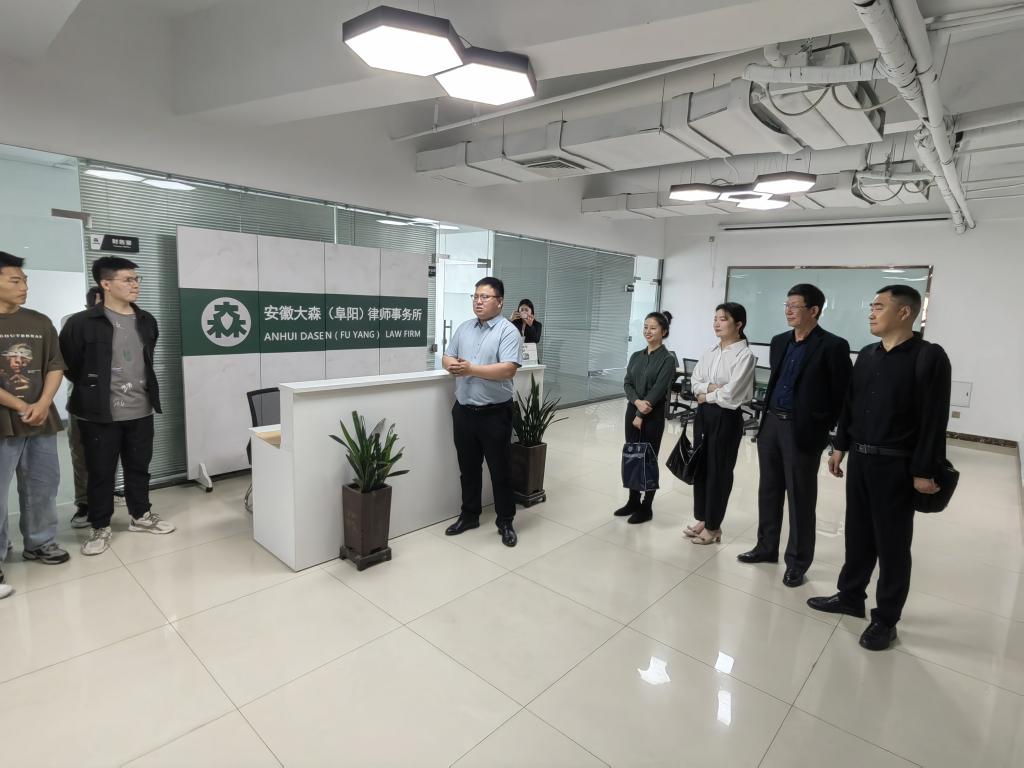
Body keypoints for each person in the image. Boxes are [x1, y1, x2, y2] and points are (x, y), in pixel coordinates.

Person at [807, 285, 951, 651]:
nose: (871, 312)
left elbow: (934, 419)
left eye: (879, 306)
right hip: (861, 458)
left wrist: (923, 470)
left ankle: (886, 619)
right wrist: (840, 446)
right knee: (857, 534)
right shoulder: (868, 355)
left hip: (897, 465)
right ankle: (850, 596)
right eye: (871, 306)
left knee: (892, 545)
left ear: (904, 313)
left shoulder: (928, 357)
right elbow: (850, 404)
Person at [59, 256, 175, 557]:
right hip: (99, 413)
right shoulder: (81, 323)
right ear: (106, 284)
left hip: (141, 409)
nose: (135, 285)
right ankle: (100, 525)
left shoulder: (146, 320)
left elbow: (146, 359)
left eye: (137, 279)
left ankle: (141, 515)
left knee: (139, 467)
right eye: (127, 279)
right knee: (100, 471)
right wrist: (95, 389)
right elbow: (70, 365)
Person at [738, 284, 852, 587]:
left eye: (795, 306)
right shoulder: (780, 341)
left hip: (802, 430)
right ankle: (766, 547)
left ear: (814, 310)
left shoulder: (833, 346)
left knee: (800, 497)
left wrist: (823, 428)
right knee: (769, 490)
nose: (788, 311)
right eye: (786, 305)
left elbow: (842, 395)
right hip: (771, 424)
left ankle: (798, 562)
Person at [0, 250, 71, 601]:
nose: (24, 286)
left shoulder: (40, 322)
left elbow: (55, 365)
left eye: (25, 280)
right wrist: (20, 405)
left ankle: (40, 542)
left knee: (43, 484)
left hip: (41, 419)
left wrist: (43, 404)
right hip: (4, 420)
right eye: (15, 280)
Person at [442, 277, 523, 547]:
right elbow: (447, 355)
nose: (478, 301)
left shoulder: (508, 331)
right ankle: (470, 515)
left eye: (484, 297)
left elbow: (508, 369)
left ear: (499, 301)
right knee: (468, 468)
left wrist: (470, 369)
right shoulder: (464, 328)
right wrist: (451, 365)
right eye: (475, 296)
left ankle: (505, 521)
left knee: (500, 471)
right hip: (464, 412)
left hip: (495, 414)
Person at [685, 303, 755, 545]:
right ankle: (704, 519)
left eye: (723, 319)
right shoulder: (711, 351)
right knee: (702, 467)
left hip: (726, 418)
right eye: (715, 318)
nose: (716, 323)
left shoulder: (745, 356)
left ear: (739, 324)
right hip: (704, 415)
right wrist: (712, 389)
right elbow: (695, 382)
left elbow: (732, 395)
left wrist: (707, 395)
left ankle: (714, 527)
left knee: (719, 471)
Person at [614, 312, 675, 524]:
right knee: (633, 455)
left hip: (652, 415)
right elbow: (627, 383)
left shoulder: (667, 359)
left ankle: (647, 506)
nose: (648, 331)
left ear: (664, 331)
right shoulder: (636, 356)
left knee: (648, 458)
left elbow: (658, 390)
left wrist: (641, 411)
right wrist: (636, 402)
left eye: (653, 328)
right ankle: (633, 500)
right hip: (632, 412)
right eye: (646, 327)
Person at [62, 286, 104, 529]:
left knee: (109, 451)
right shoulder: (73, 323)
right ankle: (84, 503)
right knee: (81, 453)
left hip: (114, 402)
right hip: (81, 402)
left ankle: (106, 493)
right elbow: (67, 364)